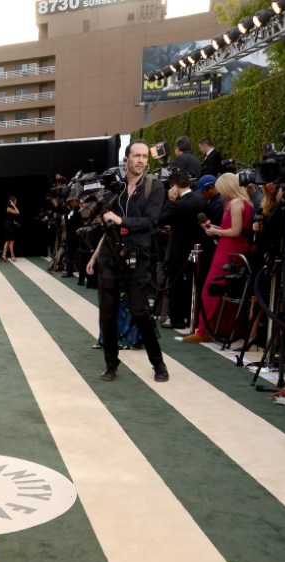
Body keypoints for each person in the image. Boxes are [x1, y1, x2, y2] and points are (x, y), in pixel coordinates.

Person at [87, 139, 168, 383]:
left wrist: (122, 222)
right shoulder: (115, 187)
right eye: (137, 156)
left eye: (145, 156)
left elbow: (150, 222)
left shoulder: (154, 187)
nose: (141, 161)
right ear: (126, 159)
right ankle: (111, 364)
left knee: (140, 312)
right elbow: (104, 222)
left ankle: (158, 364)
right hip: (110, 256)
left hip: (137, 257)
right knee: (108, 314)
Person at [184, 172, 253, 344]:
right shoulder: (242, 202)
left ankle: (204, 330)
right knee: (220, 289)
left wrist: (216, 231)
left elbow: (235, 231)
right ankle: (215, 328)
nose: (220, 193)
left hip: (230, 248)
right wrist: (217, 228)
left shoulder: (236, 203)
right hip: (231, 246)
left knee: (212, 286)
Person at [157, 170, 204, 329]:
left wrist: (170, 200)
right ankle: (190, 318)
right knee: (191, 285)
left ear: (175, 187)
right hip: (196, 250)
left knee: (176, 287)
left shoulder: (179, 204)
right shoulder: (200, 199)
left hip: (178, 251)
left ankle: (177, 319)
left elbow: (161, 218)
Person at [2, 195, 20, 261]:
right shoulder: (8, 208)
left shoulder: (10, 207)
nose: (16, 202)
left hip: (10, 225)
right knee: (11, 241)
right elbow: (17, 212)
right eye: (15, 201)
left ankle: (4, 255)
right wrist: (14, 205)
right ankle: (12, 256)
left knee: (8, 240)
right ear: (11, 201)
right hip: (9, 226)